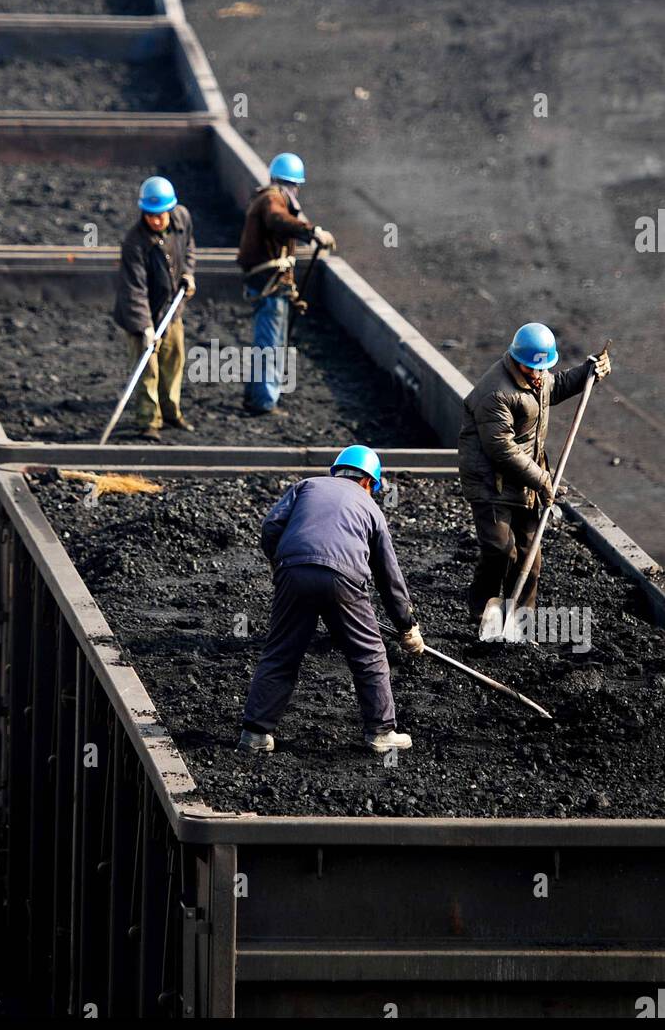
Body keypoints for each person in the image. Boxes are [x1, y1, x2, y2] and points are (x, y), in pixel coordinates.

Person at [238, 445, 424, 755]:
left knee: (281, 651)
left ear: (338, 471)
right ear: (369, 482)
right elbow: (388, 575)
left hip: (293, 571)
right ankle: (381, 731)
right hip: (344, 579)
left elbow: (271, 526)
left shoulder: (307, 486)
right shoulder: (371, 508)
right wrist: (407, 625)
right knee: (369, 653)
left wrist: (281, 565)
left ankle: (255, 734)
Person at [458, 322, 611, 622]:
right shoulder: (496, 393)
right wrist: (543, 479)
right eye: (533, 369)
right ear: (517, 360)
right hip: (491, 482)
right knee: (501, 551)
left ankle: (520, 621)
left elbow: (558, 386)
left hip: (524, 480)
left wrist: (589, 371)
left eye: (543, 369)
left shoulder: (537, 378)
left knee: (531, 558)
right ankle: (482, 612)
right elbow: (500, 449)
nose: (540, 375)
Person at [236, 152, 335, 415]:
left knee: (269, 342)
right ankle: (264, 401)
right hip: (270, 285)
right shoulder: (272, 198)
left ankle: (257, 395)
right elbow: (278, 219)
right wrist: (312, 232)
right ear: (290, 184)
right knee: (270, 344)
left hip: (271, 284)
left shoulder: (270, 197)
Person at [112, 175, 196, 442]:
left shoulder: (182, 219)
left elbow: (190, 248)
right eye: (149, 215)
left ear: (170, 210)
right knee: (148, 367)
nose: (155, 220)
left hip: (172, 309)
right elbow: (134, 290)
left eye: (160, 215)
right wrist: (145, 327)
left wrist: (188, 274)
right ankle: (148, 420)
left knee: (174, 360)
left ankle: (171, 411)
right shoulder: (134, 243)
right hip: (141, 316)